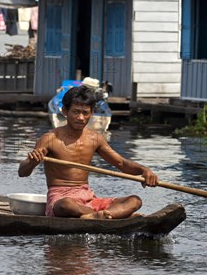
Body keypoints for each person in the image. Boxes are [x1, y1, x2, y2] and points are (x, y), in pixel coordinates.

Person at [18, 85, 158, 219]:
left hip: (89, 199)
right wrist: (32, 161)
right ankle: (111, 216)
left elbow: (121, 163)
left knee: (135, 200)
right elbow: (22, 172)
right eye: (76, 112)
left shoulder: (95, 138)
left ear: (91, 113)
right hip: (61, 198)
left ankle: (98, 216)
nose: (80, 117)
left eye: (85, 113)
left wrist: (145, 170)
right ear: (65, 111)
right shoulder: (49, 138)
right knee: (66, 205)